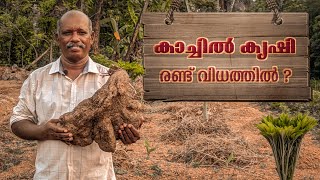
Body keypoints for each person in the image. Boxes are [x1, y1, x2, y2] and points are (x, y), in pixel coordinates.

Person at [10, 10, 140, 180]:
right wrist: (43, 131)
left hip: (96, 176)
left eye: (81, 32)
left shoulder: (109, 80)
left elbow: (127, 120)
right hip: (49, 175)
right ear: (58, 38)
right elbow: (17, 121)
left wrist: (127, 133)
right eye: (67, 33)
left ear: (92, 37)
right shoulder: (37, 78)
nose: (75, 39)